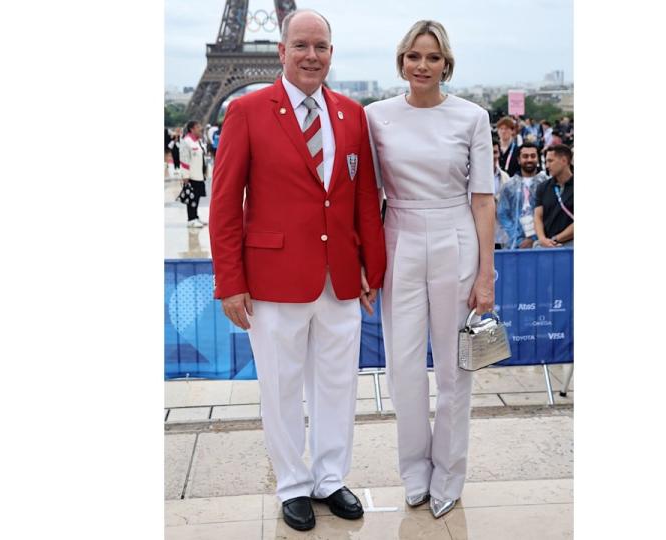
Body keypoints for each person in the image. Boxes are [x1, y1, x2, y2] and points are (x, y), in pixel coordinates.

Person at [208, 9, 386, 532]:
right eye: (302, 45)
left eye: (322, 46)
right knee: (282, 387)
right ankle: (292, 484)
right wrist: (230, 281)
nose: (312, 55)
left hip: (339, 277)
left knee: (336, 384)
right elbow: (223, 204)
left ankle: (330, 477)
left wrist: (369, 268)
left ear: (332, 52)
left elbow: (362, 200)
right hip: (273, 279)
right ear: (281, 52)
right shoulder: (246, 110)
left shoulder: (353, 114)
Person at [365, 19, 495, 519]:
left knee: (455, 367)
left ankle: (449, 473)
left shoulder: (473, 117)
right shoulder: (376, 116)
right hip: (397, 235)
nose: (423, 65)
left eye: (433, 57)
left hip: (455, 236)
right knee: (402, 367)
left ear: (447, 64)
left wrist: (487, 274)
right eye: (415, 56)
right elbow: (366, 196)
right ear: (401, 61)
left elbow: (482, 200)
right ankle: (414, 472)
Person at [499, 143, 548, 249]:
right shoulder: (509, 186)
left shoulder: (547, 183)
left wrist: (535, 238)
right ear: (518, 159)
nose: (529, 159)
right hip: (516, 245)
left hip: (543, 243)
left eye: (533, 156)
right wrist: (518, 239)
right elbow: (503, 215)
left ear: (538, 159)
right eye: (525, 156)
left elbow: (550, 214)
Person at [533, 144, 574, 248]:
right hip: (547, 244)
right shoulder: (542, 187)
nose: (547, 166)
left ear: (564, 161)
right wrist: (542, 239)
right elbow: (538, 216)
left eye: (550, 161)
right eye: (546, 161)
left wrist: (556, 239)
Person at [178, 120, 208, 228]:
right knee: (191, 198)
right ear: (192, 129)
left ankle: (195, 217)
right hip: (191, 176)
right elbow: (184, 159)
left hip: (199, 175)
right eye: (198, 126)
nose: (201, 128)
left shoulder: (198, 141)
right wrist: (185, 176)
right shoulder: (186, 141)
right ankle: (191, 219)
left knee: (197, 197)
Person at [491, 139, 512, 248]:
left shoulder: (506, 178)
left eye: (494, 152)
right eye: (488, 151)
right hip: (478, 236)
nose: (491, 156)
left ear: (499, 154)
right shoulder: (470, 178)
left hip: (501, 237)